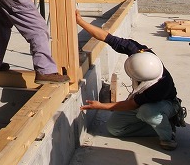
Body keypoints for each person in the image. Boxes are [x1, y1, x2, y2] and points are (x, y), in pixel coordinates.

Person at [75, 10, 184, 150]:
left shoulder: (160, 87)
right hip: (144, 104)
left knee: (146, 112)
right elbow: (106, 37)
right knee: (115, 128)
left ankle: (168, 135)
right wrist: (80, 22)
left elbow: (131, 104)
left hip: (165, 104)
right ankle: (157, 126)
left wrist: (100, 106)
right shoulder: (138, 51)